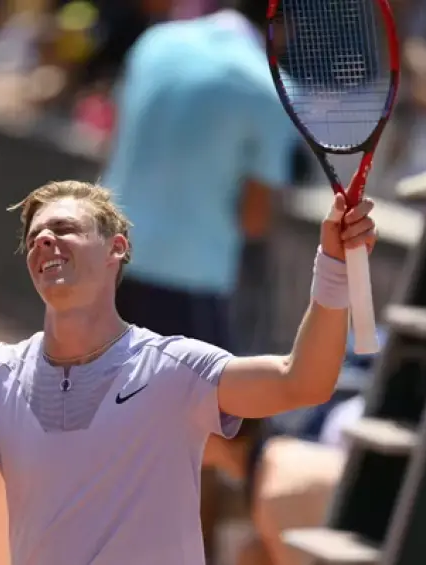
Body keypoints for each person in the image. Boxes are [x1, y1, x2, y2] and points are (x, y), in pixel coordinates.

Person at [0, 180, 377, 564]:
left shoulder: (174, 368)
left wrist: (332, 267)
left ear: (117, 249)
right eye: (35, 238)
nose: (44, 241)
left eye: (65, 229)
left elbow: (301, 380)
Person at [103, 0, 298, 350]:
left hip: (105, 261)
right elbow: (255, 219)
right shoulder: (270, 88)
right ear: (286, 29)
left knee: (88, 396)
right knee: (194, 405)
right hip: (188, 281)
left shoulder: (155, 43)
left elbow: (118, 137)